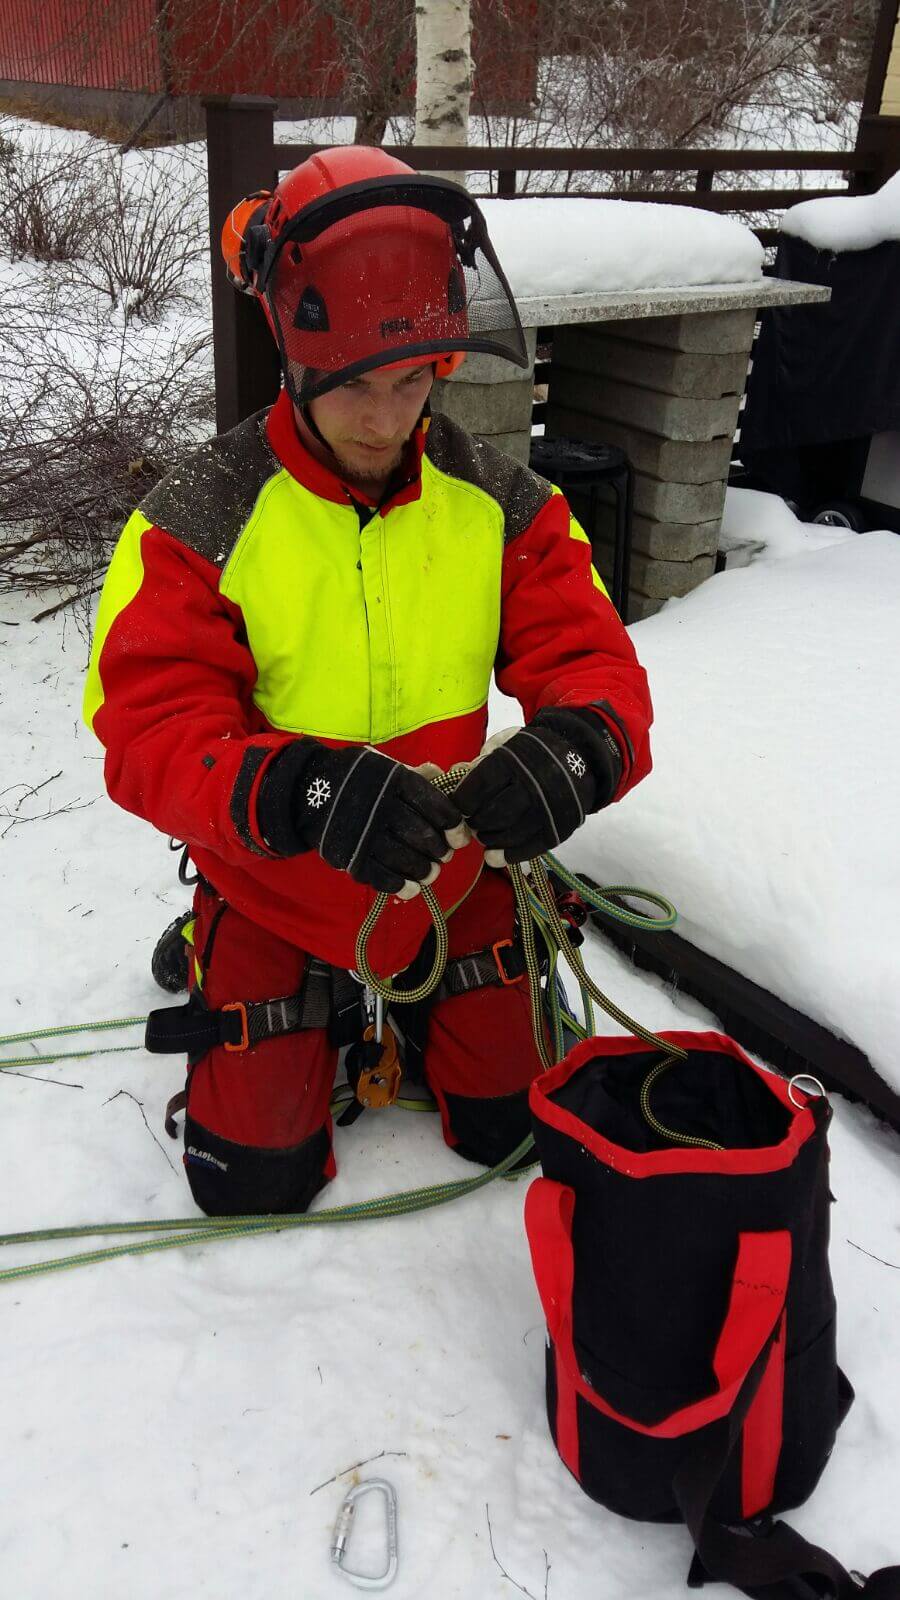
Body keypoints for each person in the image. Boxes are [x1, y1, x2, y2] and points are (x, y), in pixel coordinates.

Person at [83, 145, 653, 1218]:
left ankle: (404, 1000)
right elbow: (146, 729)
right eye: (353, 385)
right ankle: (242, 960)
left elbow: (596, 664)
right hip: (277, 879)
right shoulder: (198, 518)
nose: (387, 423)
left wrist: (579, 748)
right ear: (295, 359)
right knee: (253, 1181)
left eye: (412, 380)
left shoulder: (501, 502)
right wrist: (298, 791)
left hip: (451, 874)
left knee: (511, 1125)